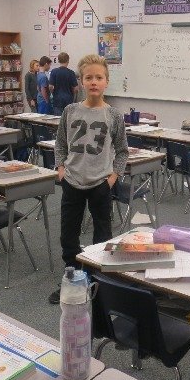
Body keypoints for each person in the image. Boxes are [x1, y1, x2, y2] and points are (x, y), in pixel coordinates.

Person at [49, 54, 128, 304]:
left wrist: (113, 176)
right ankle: (72, 279)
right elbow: (60, 143)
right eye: (88, 77)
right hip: (72, 181)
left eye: (99, 77)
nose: (94, 82)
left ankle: (97, 281)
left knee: (102, 234)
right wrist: (60, 168)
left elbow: (122, 150)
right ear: (81, 82)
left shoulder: (113, 115)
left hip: (100, 184)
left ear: (106, 81)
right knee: (68, 234)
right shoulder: (70, 111)